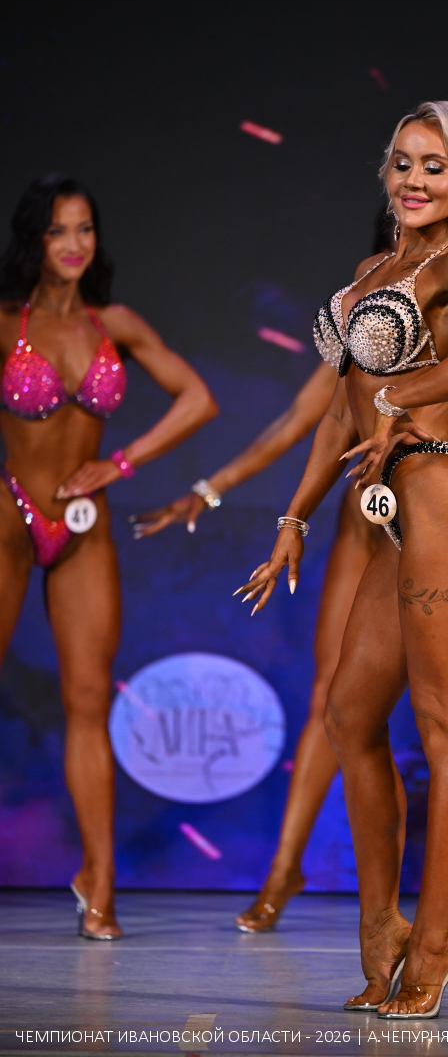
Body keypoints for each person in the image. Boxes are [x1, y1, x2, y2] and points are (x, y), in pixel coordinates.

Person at [236, 100, 448, 1018]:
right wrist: (294, 516)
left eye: (434, 166)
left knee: (446, 731)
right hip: (389, 511)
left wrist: (399, 402)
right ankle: (384, 931)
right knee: (347, 715)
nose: (414, 179)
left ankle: (441, 942)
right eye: (404, 162)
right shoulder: (374, 272)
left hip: (444, 498)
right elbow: (340, 412)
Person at [133, 342, 448, 938]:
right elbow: (306, 420)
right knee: (336, 704)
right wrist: (211, 489)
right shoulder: (366, 324)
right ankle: (283, 873)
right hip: (363, 527)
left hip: (431, 513)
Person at [0, 174, 217, 939]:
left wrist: (119, 465)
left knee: (91, 699)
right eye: (58, 230)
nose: (73, 244)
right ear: (34, 238)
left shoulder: (113, 323)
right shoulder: (6, 323)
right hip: (11, 514)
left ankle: (99, 883)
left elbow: (198, 398)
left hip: (84, 526)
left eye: (85, 229)